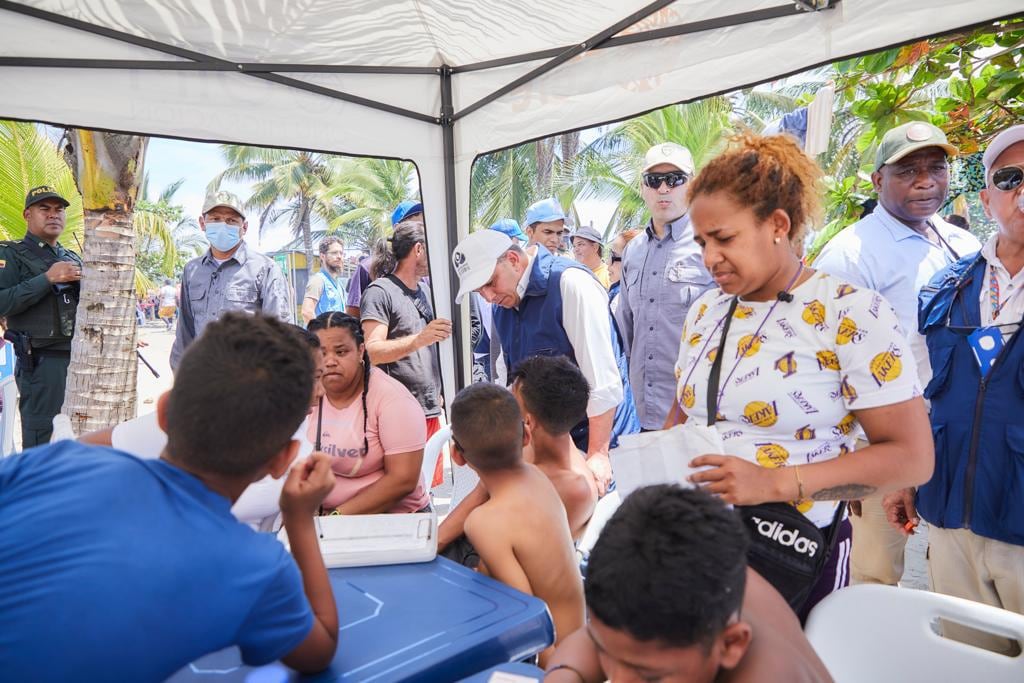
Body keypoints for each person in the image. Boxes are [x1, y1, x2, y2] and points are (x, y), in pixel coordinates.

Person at [668, 132, 933, 617]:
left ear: (777, 224)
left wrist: (774, 484)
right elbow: (685, 412)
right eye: (702, 241)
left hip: (790, 555)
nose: (709, 258)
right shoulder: (705, 310)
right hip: (697, 548)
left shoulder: (851, 313)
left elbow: (912, 459)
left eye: (724, 238)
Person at [0, 313, 338, 680]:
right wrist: (300, 517)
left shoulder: (60, 460)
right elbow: (320, 647)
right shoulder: (255, 567)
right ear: (284, 460)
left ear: (162, 412)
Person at [813, 121, 980, 587]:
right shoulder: (850, 254)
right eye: (908, 171)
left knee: (954, 571)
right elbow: (825, 360)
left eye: (936, 167)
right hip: (882, 442)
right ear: (877, 181)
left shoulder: (963, 243)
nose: (926, 181)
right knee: (876, 571)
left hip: (956, 433)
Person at [887, 124, 1024, 655]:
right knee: (967, 662)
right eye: (1009, 178)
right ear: (986, 197)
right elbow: (921, 392)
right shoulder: (944, 288)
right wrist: (905, 475)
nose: (1022, 191)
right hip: (950, 525)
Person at [544, 485, 833, 683]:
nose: (618, 680)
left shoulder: (767, 674)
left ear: (731, 643)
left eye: (649, 677)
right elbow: (599, 639)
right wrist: (564, 674)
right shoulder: (709, 579)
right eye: (607, 653)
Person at [77, 324, 325, 531]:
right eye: (312, 379)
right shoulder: (197, 421)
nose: (320, 392)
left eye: (320, 378)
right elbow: (83, 447)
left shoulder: (298, 433)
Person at [451, 229, 623, 493]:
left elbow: (602, 381)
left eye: (490, 283)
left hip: (599, 438)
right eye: (479, 290)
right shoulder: (502, 307)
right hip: (553, 442)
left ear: (513, 259)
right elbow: (508, 381)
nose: (487, 297)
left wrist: (598, 454)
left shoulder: (570, 283)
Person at [448, 382, 584, 666]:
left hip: (554, 654)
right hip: (578, 634)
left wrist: (559, 672)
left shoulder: (483, 522)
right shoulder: (537, 477)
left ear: (456, 456)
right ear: (526, 435)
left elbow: (529, 615)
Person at [614, 143, 714, 431]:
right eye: (654, 181)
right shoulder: (632, 251)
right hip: (641, 415)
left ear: (692, 185)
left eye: (674, 179)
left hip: (697, 417)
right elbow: (626, 331)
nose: (663, 189)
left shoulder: (711, 244)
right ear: (643, 187)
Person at [308, 311, 428, 514]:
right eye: (321, 353)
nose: (329, 361)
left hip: (393, 522)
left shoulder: (393, 400)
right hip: (324, 520)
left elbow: (403, 480)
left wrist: (337, 517)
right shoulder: (308, 394)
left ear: (360, 351)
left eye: (340, 352)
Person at [170, 190, 292, 370]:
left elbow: (279, 331)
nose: (223, 225)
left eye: (231, 221)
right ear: (203, 223)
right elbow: (185, 330)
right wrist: (180, 373)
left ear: (244, 227)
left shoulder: (265, 268)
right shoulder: (192, 270)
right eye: (215, 219)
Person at [0, 185, 83, 447]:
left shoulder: (72, 257)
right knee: (43, 443)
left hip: (80, 361)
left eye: (59, 210)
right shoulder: (9, 254)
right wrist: (47, 278)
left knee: (79, 438)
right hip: (42, 364)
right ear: (27, 215)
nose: (53, 215)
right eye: (44, 209)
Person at [361, 221, 448, 441]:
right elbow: (372, 351)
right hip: (398, 412)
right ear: (418, 249)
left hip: (429, 409)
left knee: (429, 477)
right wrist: (419, 339)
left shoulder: (427, 290)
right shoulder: (379, 292)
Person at [510, 355, 598, 539]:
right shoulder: (529, 444)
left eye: (513, 402)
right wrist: (438, 541)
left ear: (529, 421)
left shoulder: (575, 490)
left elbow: (532, 553)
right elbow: (479, 495)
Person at [345, 200, 423, 318]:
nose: (423, 232)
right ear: (397, 228)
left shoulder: (426, 269)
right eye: (418, 226)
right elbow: (353, 316)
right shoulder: (368, 267)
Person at [302, 235, 346, 325]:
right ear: (322, 256)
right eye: (334, 253)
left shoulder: (339, 284)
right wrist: (320, 336)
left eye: (341, 253)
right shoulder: (318, 281)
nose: (339, 257)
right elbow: (307, 312)